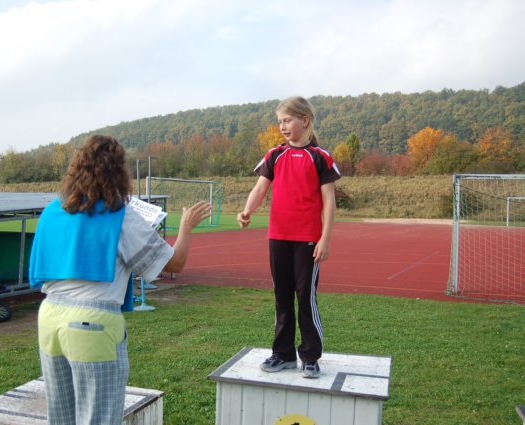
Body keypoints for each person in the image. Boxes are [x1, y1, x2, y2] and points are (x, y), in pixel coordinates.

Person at [29, 135, 211, 424]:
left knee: (61, 417)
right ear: (118, 171)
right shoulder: (120, 215)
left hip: (50, 317)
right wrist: (186, 227)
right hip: (93, 323)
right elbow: (174, 263)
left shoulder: (53, 210)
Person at [237, 96, 341, 379]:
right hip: (278, 237)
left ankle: (310, 356)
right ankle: (283, 355)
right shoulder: (275, 155)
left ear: (304, 120)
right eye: (279, 121)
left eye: (287, 120)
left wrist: (325, 239)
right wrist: (247, 210)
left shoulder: (320, 157)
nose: (282, 126)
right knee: (282, 297)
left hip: (308, 239)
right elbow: (260, 188)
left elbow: (329, 203)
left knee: (305, 297)